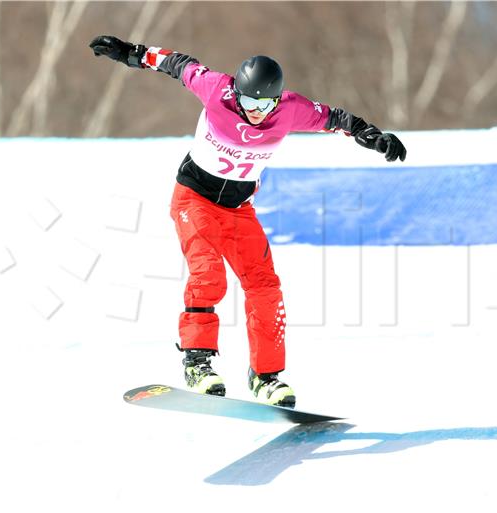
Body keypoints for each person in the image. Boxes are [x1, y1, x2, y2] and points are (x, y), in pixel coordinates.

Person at [89, 35, 406, 408]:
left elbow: (336, 119)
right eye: (250, 101)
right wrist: (132, 54)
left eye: (265, 103)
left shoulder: (289, 110)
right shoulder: (215, 89)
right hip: (194, 198)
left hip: (239, 209)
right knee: (208, 274)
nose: (257, 111)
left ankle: (266, 377)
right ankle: (197, 361)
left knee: (265, 287)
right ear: (237, 92)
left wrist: (372, 135)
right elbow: (177, 63)